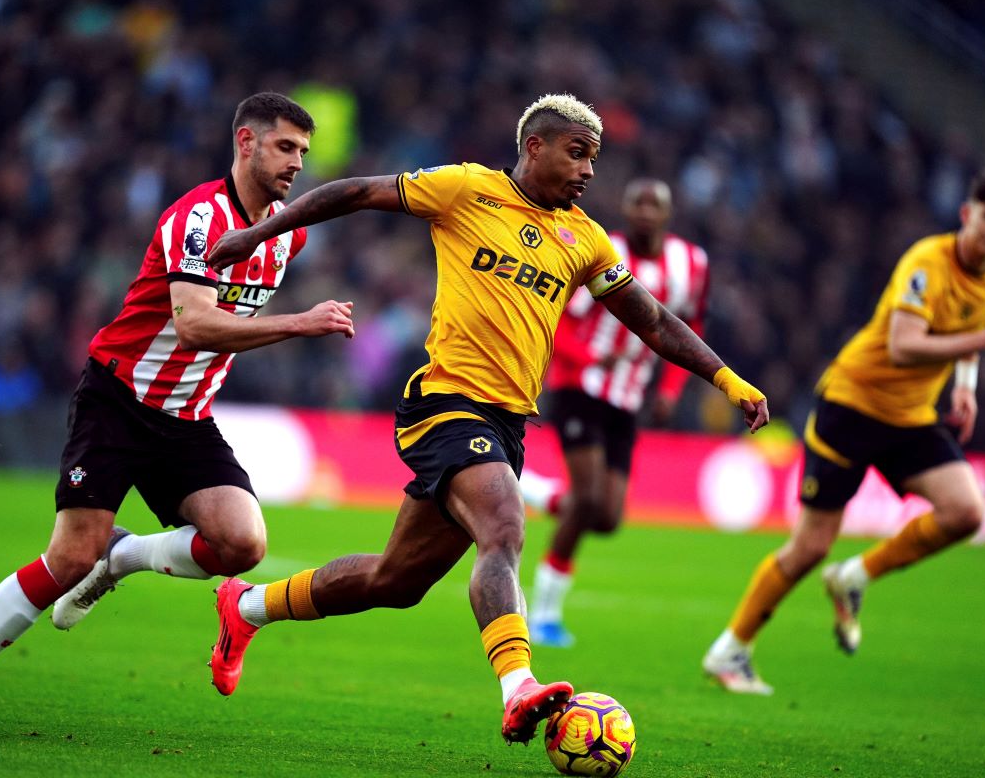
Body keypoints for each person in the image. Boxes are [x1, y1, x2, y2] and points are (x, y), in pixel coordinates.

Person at [202, 93, 769, 744]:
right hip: (444, 401)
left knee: (396, 579)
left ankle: (246, 606)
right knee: (503, 526)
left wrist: (725, 378)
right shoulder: (467, 189)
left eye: (595, 159)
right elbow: (357, 191)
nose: (589, 171)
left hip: (507, 423)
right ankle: (518, 686)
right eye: (577, 154)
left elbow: (654, 320)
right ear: (535, 147)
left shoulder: (584, 238)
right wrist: (255, 232)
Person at [0, 92, 355, 723]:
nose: (296, 163)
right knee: (68, 559)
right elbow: (196, 326)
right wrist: (300, 323)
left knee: (242, 543)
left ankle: (122, 557)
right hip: (119, 401)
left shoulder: (290, 235)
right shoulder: (198, 218)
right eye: (285, 147)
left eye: (303, 152)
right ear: (246, 142)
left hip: (186, 416)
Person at [702, 170, 985, 695]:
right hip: (853, 406)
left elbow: (973, 325)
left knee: (966, 512)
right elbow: (907, 345)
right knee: (810, 547)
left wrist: (967, 385)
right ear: (966, 215)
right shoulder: (927, 263)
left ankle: (855, 576)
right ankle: (730, 650)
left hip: (910, 417)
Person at [526, 178, 709, 648]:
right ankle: (543, 614)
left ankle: (539, 493)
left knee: (607, 516)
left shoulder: (691, 264)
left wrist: (669, 389)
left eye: (655, 204)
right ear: (625, 209)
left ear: (669, 213)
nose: (646, 211)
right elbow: (558, 319)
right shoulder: (600, 253)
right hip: (580, 388)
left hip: (627, 399)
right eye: (637, 203)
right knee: (586, 500)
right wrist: (588, 360)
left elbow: (689, 324)